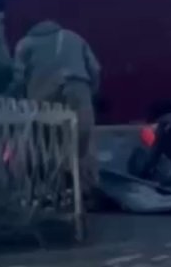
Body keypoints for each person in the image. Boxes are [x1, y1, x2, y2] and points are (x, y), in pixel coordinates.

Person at [11, 18, 102, 194]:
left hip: (42, 95)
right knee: (83, 140)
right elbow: (95, 68)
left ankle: (49, 187)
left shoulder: (25, 44)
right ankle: (85, 188)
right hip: (78, 88)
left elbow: (18, 77)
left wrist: (20, 98)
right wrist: (91, 91)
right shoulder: (74, 37)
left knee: (45, 141)